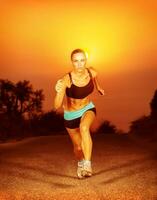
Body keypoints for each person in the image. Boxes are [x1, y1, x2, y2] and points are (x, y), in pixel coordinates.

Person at [54, 48, 105, 179]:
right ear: (72, 62)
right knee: (77, 147)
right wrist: (58, 90)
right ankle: (81, 162)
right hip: (71, 115)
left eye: (82, 60)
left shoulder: (92, 71)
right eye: (76, 61)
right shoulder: (66, 78)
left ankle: (87, 165)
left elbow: (95, 78)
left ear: (86, 61)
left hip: (88, 108)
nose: (79, 64)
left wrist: (98, 87)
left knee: (84, 127)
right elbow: (56, 105)